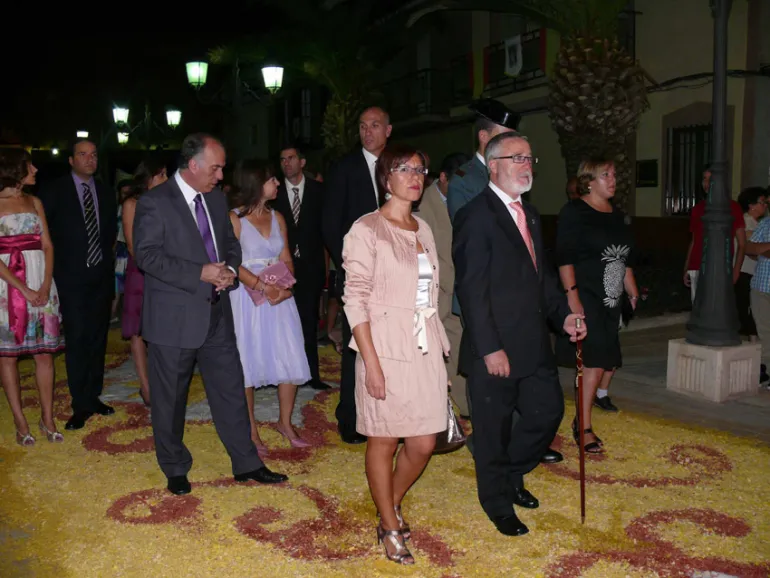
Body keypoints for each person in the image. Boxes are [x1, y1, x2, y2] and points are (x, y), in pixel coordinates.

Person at [132, 133, 288, 495]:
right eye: (215, 168)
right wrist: (200, 272)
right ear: (193, 164)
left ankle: (246, 463)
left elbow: (231, 245)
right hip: (174, 319)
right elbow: (147, 256)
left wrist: (229, 271)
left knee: (230, 389)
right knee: (171, 399)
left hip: (217, 313)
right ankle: (174, 467)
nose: (220, 176)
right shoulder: (155, 201)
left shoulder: (216, 199)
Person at [452, 132, 586, 536]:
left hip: (533, 343)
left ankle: (510, 473)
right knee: (493, 430)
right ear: (493, 166)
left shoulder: (529, 213)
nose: (527, 166)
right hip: (494, 348)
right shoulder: (476, 215)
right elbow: (471, 290)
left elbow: (540, 277)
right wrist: (490, 348)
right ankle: (496, 502)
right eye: (518, 158)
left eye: (530, 159)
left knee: (547, 412)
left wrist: (563, 315)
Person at [343, 144, 450, 564]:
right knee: (384, 438)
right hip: (384, 348)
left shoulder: (424, 228)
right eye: (404, 169)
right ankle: (389, 524)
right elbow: (355, 300)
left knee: (424, 442)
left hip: (423, 346)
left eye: (420, 169)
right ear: (386, 179)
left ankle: (390, 500)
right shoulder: (366, 229)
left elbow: (430, 294)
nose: (414, 176)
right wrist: (371, 364)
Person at [228, 161, 312, 453]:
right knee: (247, 360)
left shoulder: (277, 217)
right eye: (272, 179)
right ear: (256, 183)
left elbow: (286, 256)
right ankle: (251, 430)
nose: (277, 183)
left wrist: (285, 286)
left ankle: (285, 422)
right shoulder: (235, 218)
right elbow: (231, 262)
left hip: (278, 296)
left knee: (289, 354)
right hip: (246, 298)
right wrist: (262, 286)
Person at [556, 158, 639, 450]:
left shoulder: (617, 215)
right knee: (592, 362)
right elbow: (564, 257)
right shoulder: (575, 212)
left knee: (604, 360)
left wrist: (631, 289)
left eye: (614, 174)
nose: (613, 180)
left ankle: (582, 419)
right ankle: (584, 425)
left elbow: (623, 257)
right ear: (589, 181)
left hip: (611, 299)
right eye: (606, 175)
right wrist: (572, 296)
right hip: (587, 294)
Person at [323, 105, 392, 445]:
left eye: (375, 125)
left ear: (388, 130)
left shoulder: (398, 164)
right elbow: (330, 223)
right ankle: (350, 417)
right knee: (356, 344)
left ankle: (390, 411)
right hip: (358, 273)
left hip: (396, 273)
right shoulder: (344, 169)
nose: (367, 132)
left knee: (393, 343)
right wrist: (350, 264)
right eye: (363, 126)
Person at [37, 138, 118, 431]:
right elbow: (45, 236)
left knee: (98, 339)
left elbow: (108, 236)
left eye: (93, 154)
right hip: (69, 278)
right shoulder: (54, 191)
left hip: (100, 277)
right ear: (71, 160)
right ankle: (80, 402)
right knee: (77, 339)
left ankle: (93, 396)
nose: (89, 159)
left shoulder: (105, 192)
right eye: (83, 154)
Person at [0, 148, 65, 445]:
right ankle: (20, 421)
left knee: (44, 354)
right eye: (29, 165)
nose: (36, 169)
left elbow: (48, 245)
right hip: (6, 286)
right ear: (14, 168)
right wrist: (22, 289)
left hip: (41, 280)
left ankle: (47, 418)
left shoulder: (35, 202)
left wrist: (45, 284)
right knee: (7, 357)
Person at [416, 151, 470, 416]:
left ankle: (463, 404)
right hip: (435, 290)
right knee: (430, 350)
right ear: (443, 178)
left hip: (458, 290)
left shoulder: (464, 199)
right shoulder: (423, 205)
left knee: (456, 346)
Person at [273, 145, 329, 390]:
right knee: (281, 321)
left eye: (291, 158)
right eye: (282, 159)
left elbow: (326, 228)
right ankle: (280, 373)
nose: (286, 163)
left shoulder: (319, 191)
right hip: (281, 265)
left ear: (302, 162)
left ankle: (311, 374)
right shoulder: (274, 192)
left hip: (311, 265)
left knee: (308, 320)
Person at [121, 158, 169, 407]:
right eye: (162, 175)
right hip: (141, 271)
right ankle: (146, 385)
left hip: (168, 270)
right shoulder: (132, 203)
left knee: (163, 327)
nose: (166, 179)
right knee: (138, 330)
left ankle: (162, 381)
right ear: (149, 177)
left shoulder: (168, 201)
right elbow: (132, 245)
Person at [683, 165, 745, 302]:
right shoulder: (697, 209)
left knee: (718, 308)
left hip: (721, 268)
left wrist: (736, 271)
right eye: (704, 179)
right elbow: (694, 240)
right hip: (697, 266)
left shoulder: (733, 207)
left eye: (711, 179)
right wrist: (687, 267)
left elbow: (742, 244)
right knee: (699, 308)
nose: (707, 183)